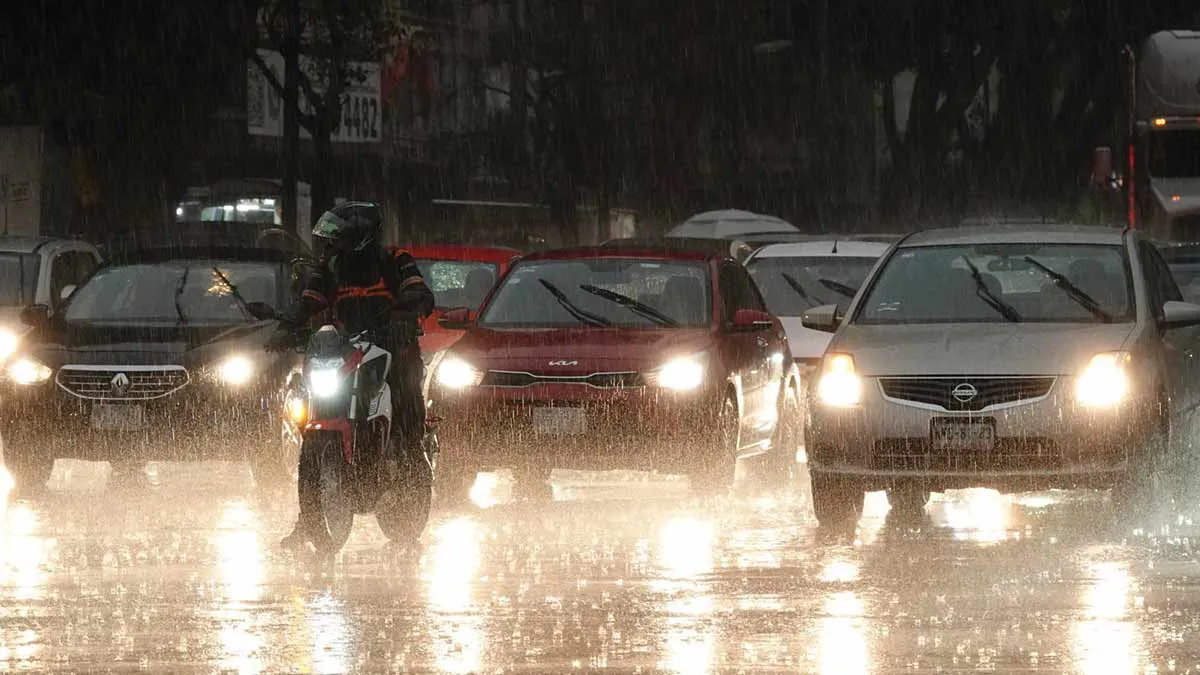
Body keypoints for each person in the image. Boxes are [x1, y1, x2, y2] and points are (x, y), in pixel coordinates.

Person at [270, 202, 435, 549]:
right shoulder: (330, 267)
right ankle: (309, 519)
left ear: (360, 239)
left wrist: (409, 307)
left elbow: (418, 291)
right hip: (345, 353)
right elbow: (310, 298)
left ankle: (407, 466)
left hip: (394, 352)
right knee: (319, 410)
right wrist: (287, 325)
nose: (329, 248)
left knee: (404, 408)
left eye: (337, 240)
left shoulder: (394, 261)